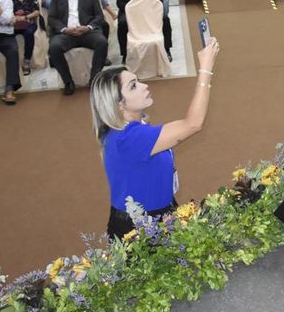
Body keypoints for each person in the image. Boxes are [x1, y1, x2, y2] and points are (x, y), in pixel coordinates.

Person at [91, 36, 220, 239]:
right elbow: (193, 124)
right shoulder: (130, 138)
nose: (144, 86)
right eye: (133, 86)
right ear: (119, 104)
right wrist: (206, 70)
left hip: (158, 214)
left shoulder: (128, 129)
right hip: (139, 228)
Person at [48, 0, 109, 95]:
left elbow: (99, 16)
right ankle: (68, 81)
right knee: (54, 47)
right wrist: (65, 29)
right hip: (66, 33)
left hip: (87, 32)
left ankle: (94, 79)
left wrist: (88, 27)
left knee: (102, 42)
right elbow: (52, 19)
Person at [8, 0, 40, 75]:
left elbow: (37, 12)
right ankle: (12, 62)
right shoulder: (9, 0)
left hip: (29, 22)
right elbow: (6, 14)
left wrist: (25, 17)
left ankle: (27, 61)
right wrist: (14, 18)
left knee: (29, 33)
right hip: (14, 24)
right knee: (7, 35)